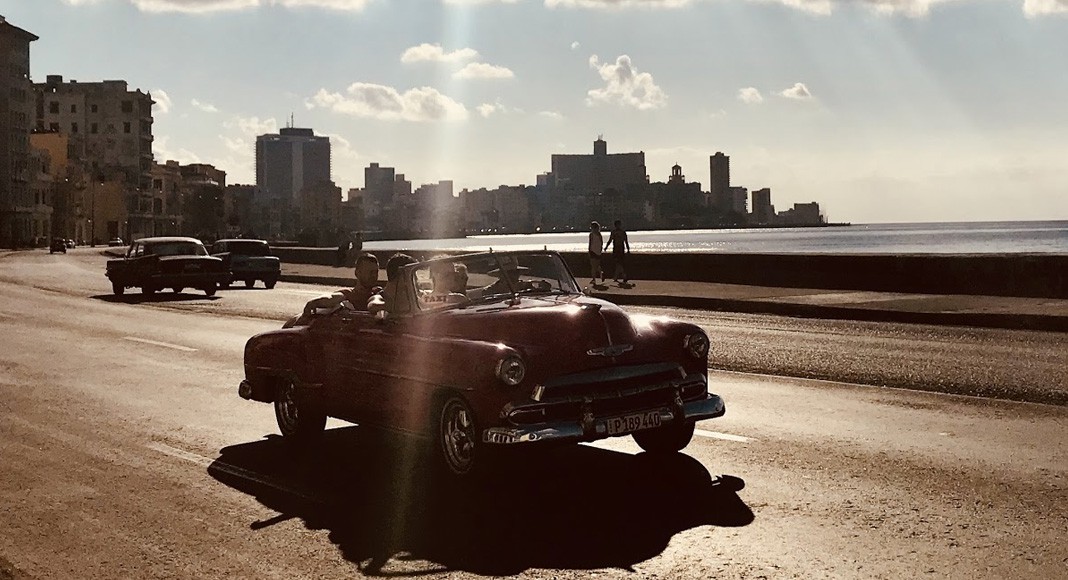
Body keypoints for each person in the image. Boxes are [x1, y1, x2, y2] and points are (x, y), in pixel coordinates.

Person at [283, 254, 381, 328]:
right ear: (357, 273)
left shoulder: (379, 294)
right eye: (371, 272)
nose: (374, 276)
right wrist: (313, 304)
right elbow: (331, 298)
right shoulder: (348, 295)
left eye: (376, 272)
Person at [604, 219, 630, 284]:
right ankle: (617, 276)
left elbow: (610, 240)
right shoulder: (622, 232)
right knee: (619, 263)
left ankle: (622, 276)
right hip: (619, 249)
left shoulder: (615, 232)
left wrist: (606, 247)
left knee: (618, 263)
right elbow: (625, 241)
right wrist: (628, 249)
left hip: (618, 249)